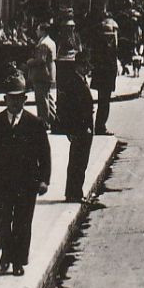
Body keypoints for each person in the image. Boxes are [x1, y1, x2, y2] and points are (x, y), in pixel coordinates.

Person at [0, 73, 52, 276]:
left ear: (25, 99)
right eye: (11, 98)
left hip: (27, 183)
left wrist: (44, 180)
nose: (15, 102)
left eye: (19, 98)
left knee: (22, 223)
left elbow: (45, 155)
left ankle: (17, 261)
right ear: (5, 99)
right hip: (0, 183)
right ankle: (6, 247)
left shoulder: (35, 124)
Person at [58, 55, 95, 203]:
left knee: (81, 162)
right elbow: (68, 110)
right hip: (80, 129)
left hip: (84, 129)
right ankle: (74, 193)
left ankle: (76, 191)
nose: (87, 68)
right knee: (77, 162)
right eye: (84, 65)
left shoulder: (80, 80)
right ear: (78, 66)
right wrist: (71, 130)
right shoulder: (73, 83)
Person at [92, 11, 119, 136]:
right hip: (106, 76)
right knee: (104, 102)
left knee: (103, 101)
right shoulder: (108, 45)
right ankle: (100, 126)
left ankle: (99, 125)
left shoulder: (99, 43)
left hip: (102, 75)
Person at [27, 21, 57, 122]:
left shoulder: (44, 43)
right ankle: (52, 119)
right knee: (48, 98)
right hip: (48, 73)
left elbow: (41, 60)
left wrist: (29, 62)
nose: (36, 31)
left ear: (43, 31)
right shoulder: (51, 42)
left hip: (42, 74)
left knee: (42, 99)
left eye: (38, 29)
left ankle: (44, 121)